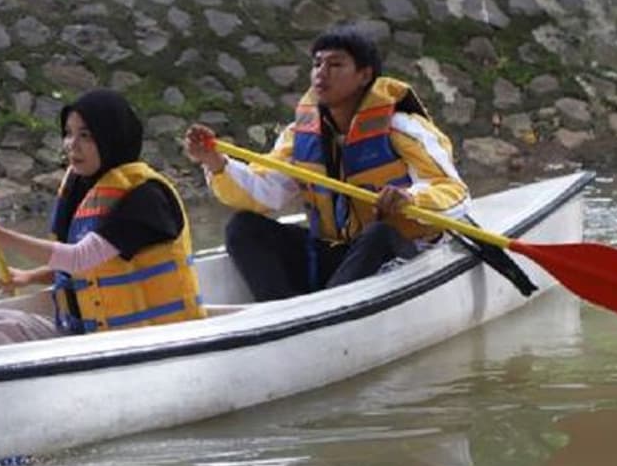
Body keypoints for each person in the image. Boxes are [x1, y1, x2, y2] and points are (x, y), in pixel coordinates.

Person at [183, 24, 471, 302]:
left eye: (335, 65)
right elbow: (266, 192)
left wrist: (411, 198)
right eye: (317, 64)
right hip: (337, 253)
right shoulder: (299, 135)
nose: (321, 74)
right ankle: (283, 312)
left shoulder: (403, 127)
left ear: (364, 75)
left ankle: (326, 310)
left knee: (379, 233)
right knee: (243, 227)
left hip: (399, 254)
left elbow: (454, 192)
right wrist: (217, 163)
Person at [0, 88, 205, 346]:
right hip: (91, 335)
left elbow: (81, 258)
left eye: (85, 135)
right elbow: (94, 270)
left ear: (112, 139)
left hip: (152, 340)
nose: (71, 144)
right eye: (68, 133)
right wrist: (32, 277)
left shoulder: (147, 198)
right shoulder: (83, 187)